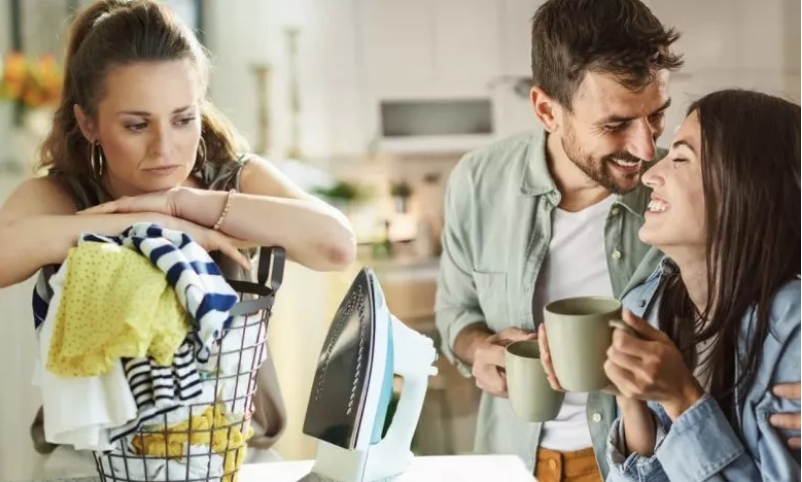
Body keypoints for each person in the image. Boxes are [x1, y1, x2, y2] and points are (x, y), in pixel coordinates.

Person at [434, 0, 800, 480]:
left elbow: (779, 242)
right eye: (615, 125)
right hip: (523, 456)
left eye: (655, 117)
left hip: (626, 456)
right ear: (548, 110)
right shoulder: (478, 182)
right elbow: (453, 312)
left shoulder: (694, 200)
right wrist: (477, 348)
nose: (648, 152)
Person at [0, 0, 355, 476]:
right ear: (89, 124)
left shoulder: (232, 180)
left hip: (236, 458)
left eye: (183, 119)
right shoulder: (64, 194)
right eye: (136, 124)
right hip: (92, 467)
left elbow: (336, 246)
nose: (164, 148)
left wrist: (183, 205)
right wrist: (133, 224)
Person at [598, 89, 800, 480]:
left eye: (680, 159)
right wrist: (630, 397)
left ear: (741, 187)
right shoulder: (647, 305)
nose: (651, 174)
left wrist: (681, 398)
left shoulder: (792, 329)